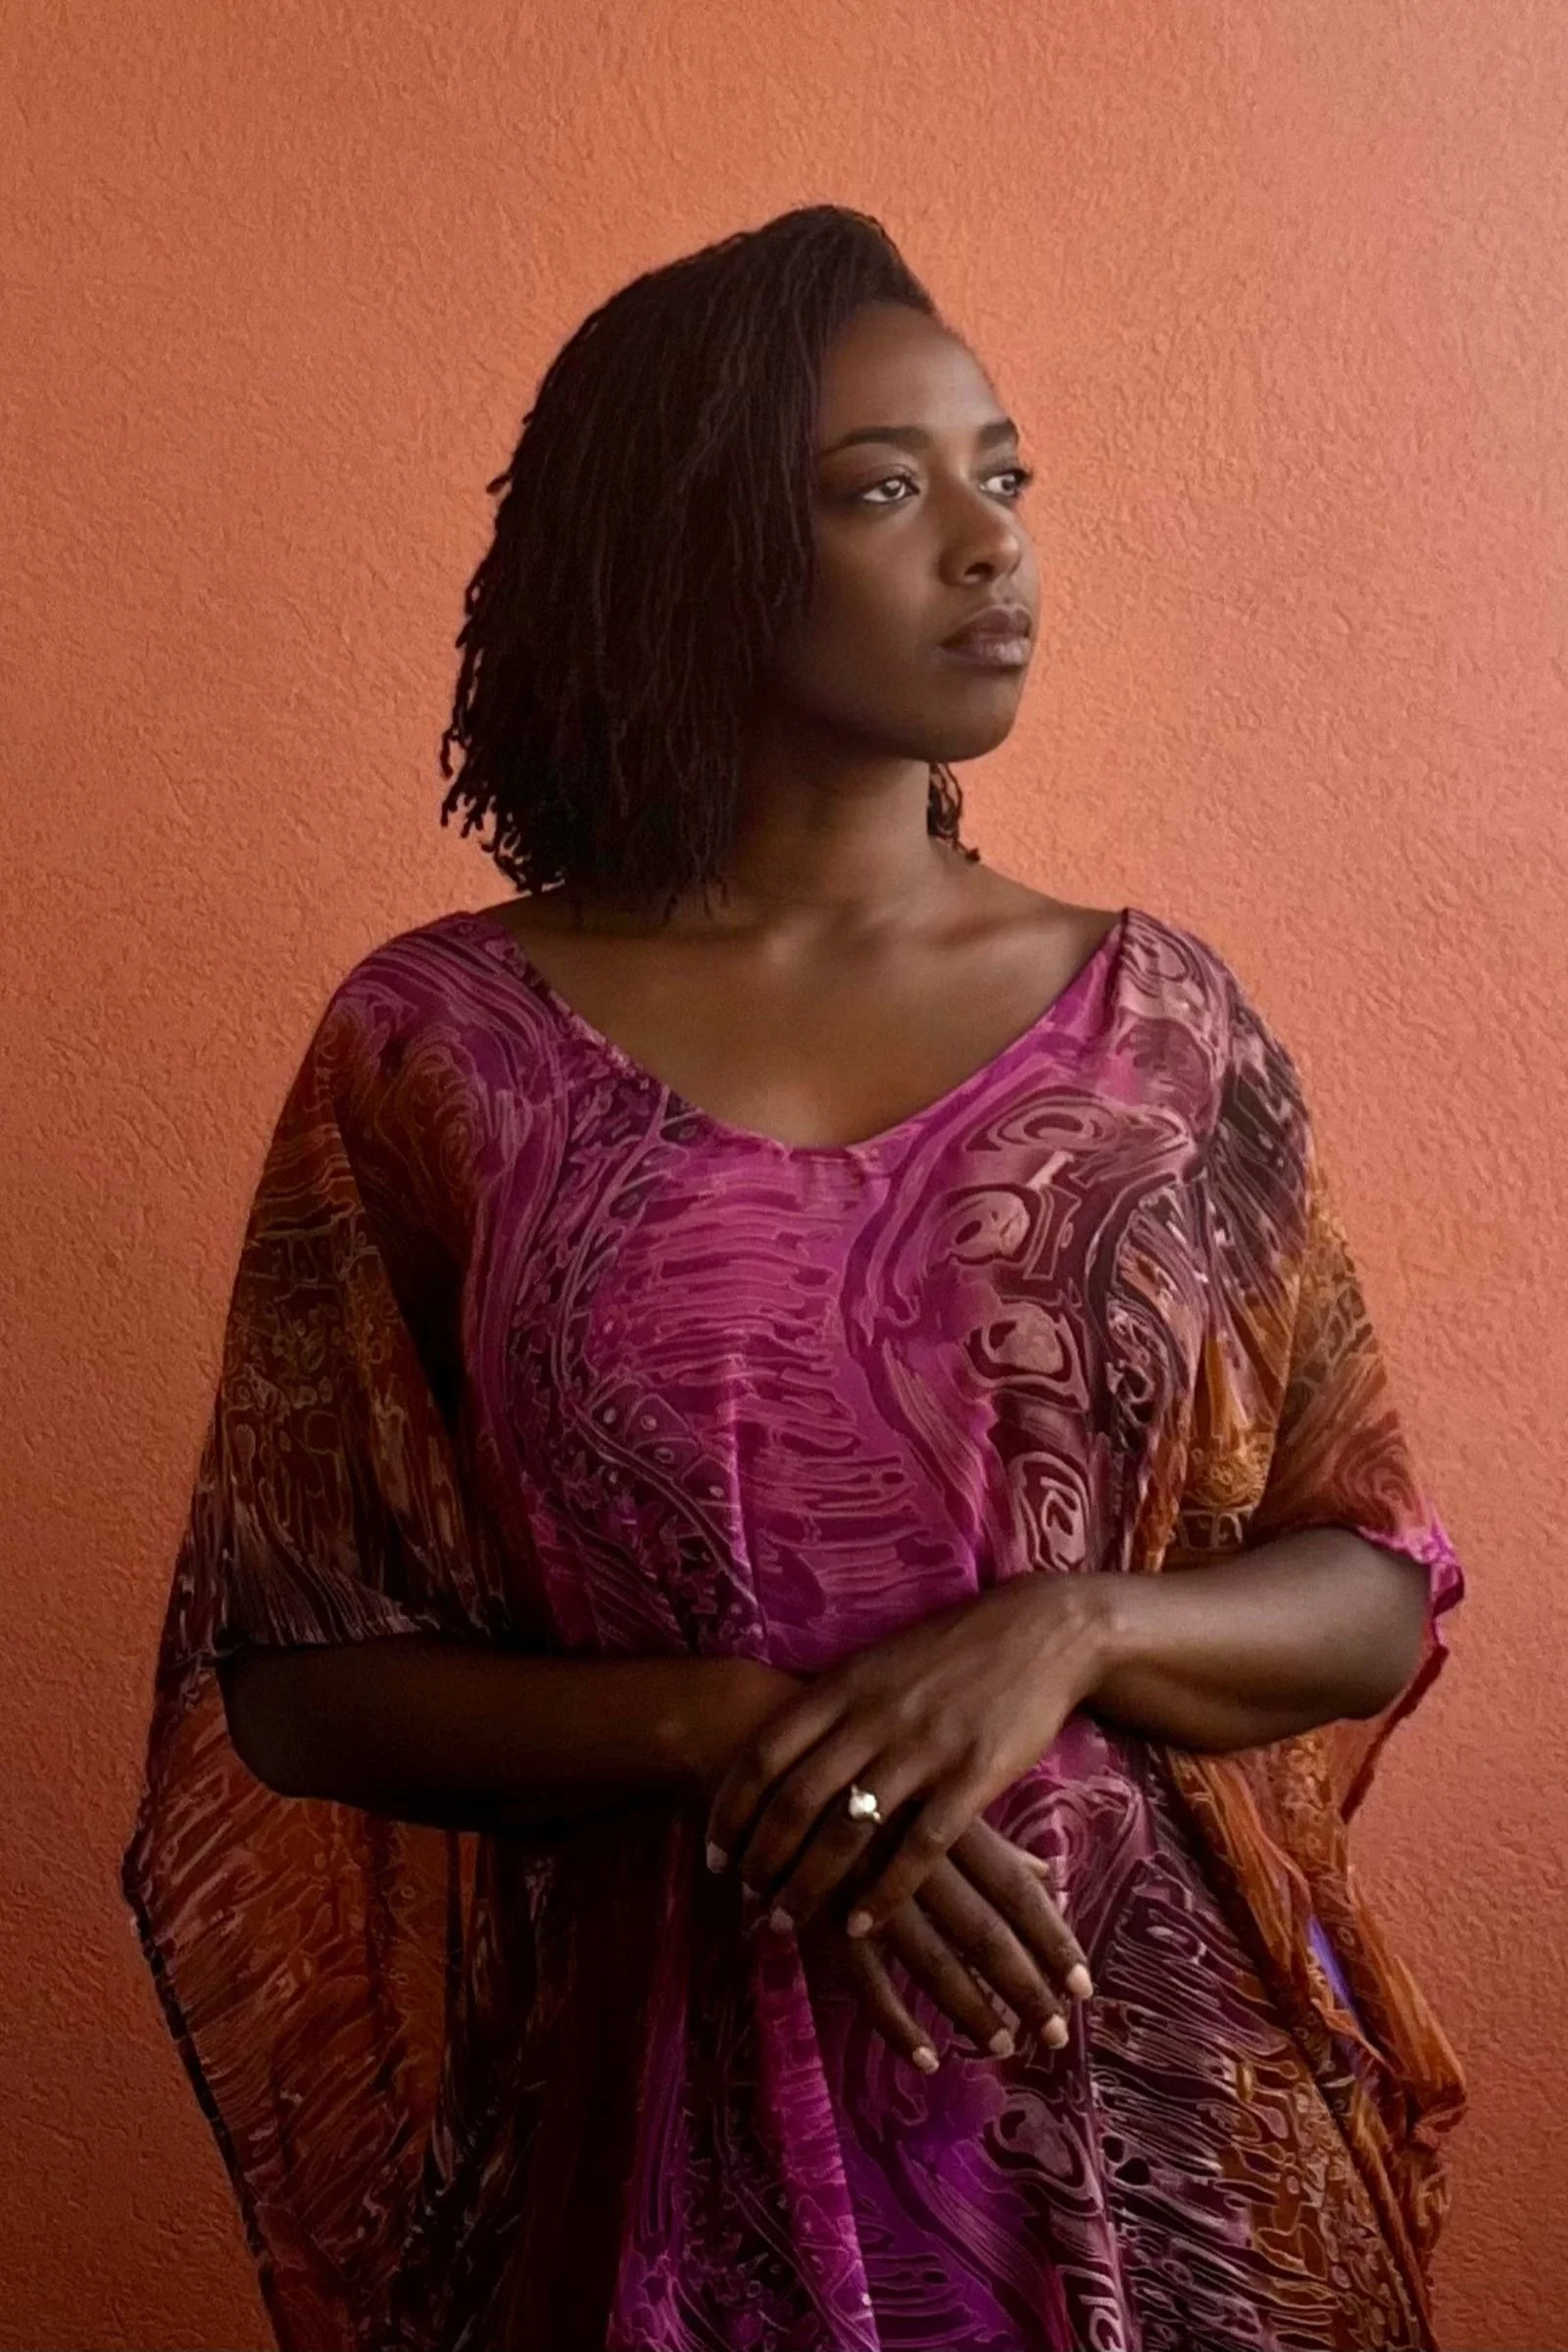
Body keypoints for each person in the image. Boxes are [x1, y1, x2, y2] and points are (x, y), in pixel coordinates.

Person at [121, 204, 1466, 2352]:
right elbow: (291, 1676)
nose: (985, 546)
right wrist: (722, 1725)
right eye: (878, 490)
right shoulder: (437, 1054)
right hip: (677, 2145)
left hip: (1151, 2152)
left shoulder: (1155, 1040)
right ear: (685, 548)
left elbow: (1375, 1586)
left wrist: (1071, 1627)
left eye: (1001, 477)